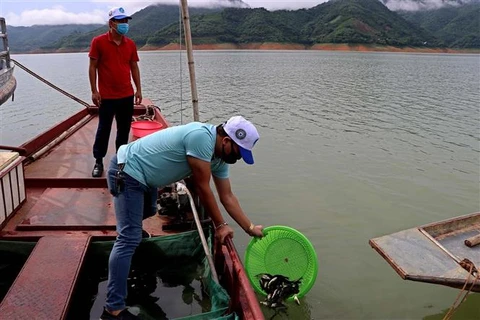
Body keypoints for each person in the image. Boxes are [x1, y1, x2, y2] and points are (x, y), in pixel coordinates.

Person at [100, 116, 264, 320]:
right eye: (239, 153)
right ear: (226, 141)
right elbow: (203, 188)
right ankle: (112, 309)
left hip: (146, 179)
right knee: (128, 238)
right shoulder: (201, 138)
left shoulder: (220, 158)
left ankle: (128, 243)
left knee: (149, 212)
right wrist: (221, 225)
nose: (238, 158)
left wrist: (249, 228)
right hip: (127, 171)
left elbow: (227, 196)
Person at [89, 7, 142, 178]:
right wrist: (94, 91)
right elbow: (93, 67)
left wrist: (138, 89)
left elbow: (134, 67)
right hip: (106, 97)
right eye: (120, 21)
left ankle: (121, 161)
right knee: (103, 129)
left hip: (126, 95)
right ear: (111, 23)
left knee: (123, 129)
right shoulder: (98, 41)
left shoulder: (130, 44)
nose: (124, 24)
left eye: (126, 21)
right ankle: (98, 161)